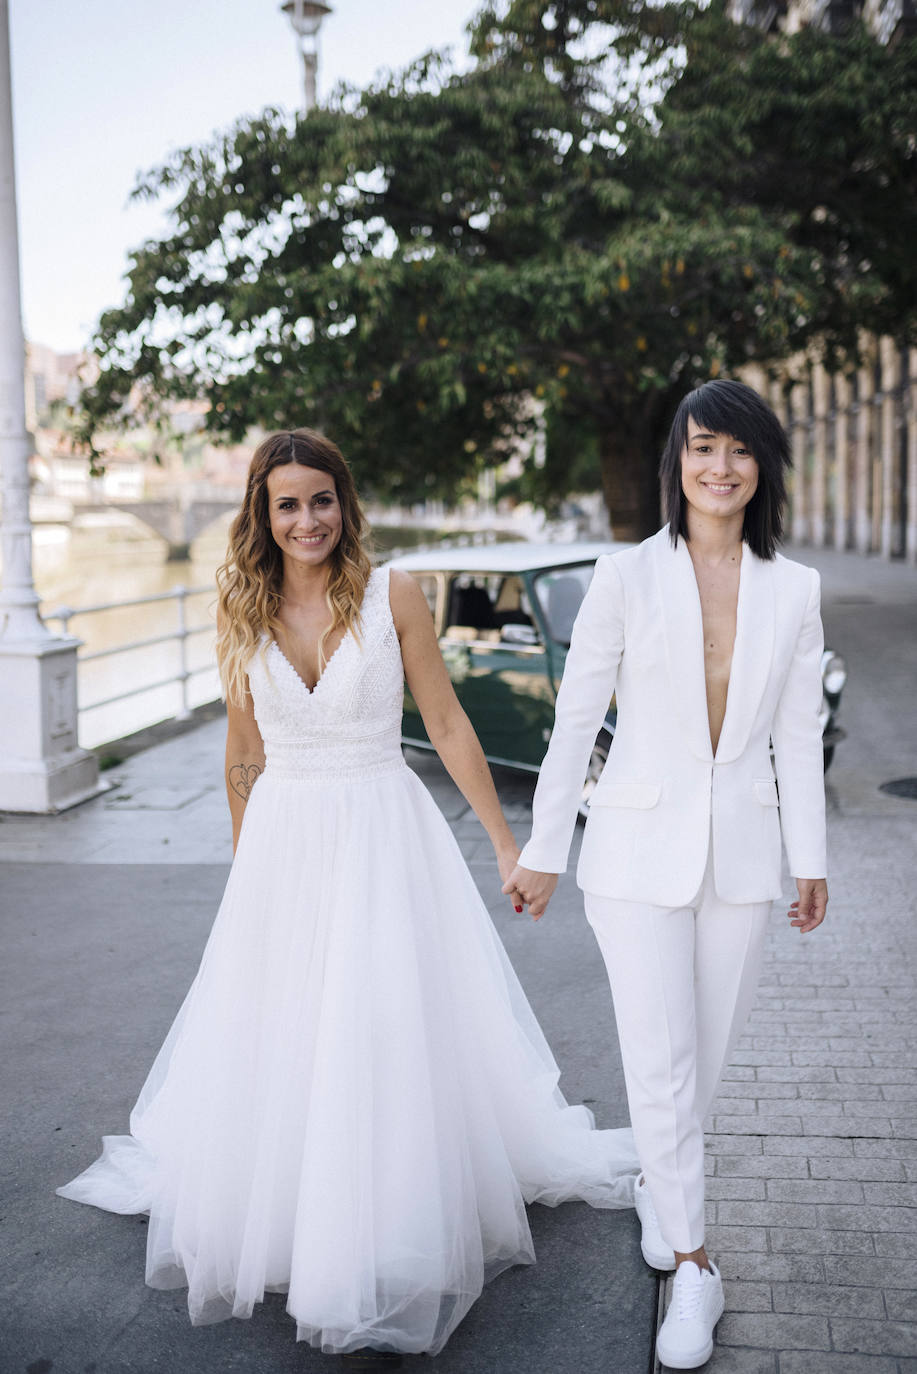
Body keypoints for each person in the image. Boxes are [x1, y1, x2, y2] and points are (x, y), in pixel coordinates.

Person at [57, 428, 638, 1366]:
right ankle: (296, 1204)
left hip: (382, 829)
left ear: (344, 503)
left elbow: (444, 722)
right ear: (263, 512)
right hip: (284, 839)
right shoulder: (237, 603)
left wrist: (506, 843)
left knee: (381, 1019)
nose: (306, 520)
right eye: (286, 504)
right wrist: (247, 874)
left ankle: (384, 1203)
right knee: (288, 1024)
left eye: (320, 500)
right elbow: (242, 752)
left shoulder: (392, 593)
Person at [504, 379, 828, 1371]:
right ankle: (693, 1263)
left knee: (705, 1063)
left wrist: (807, 860)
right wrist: (543, 848)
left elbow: (793, 733)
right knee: (661, 1058)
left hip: (740, 859)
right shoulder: (624, 577)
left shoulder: (795, 589)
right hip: (633, 858)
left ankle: (659, 1178)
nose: (717, 468)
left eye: (736, 451)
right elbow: (573, 723)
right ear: (674, 464)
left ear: (760, 465)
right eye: (700, 449)